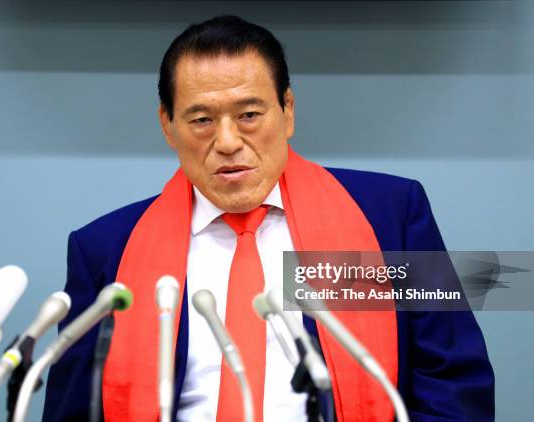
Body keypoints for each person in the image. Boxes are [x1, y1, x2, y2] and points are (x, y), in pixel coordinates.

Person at [43, 15, 494, 422]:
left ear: (288, 110)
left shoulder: (389, 214)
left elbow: (453, 382)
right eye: (201, 119)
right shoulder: (105, 249)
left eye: (249, 115)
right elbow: (72, 410)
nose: (227, 141)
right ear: (167, 124)